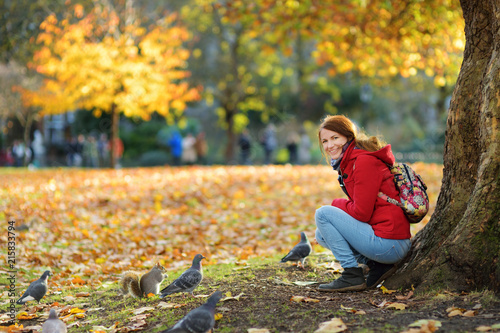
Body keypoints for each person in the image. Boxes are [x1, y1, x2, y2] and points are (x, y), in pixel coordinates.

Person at [314, 115, 411, 292]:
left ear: (348, 136)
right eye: (325, 141)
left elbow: (361, 213)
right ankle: (377, 265)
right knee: (321, 235)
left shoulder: (364, 161)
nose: (330, 145)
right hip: (384, 240)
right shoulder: (349, 161)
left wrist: (337, 203)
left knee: (323, 214)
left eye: (335, 138)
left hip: (391, 243)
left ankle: (352, 275)